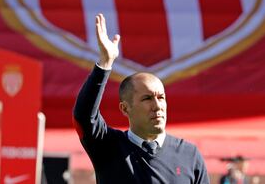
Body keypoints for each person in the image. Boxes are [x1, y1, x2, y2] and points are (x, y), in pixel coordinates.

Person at [73, 13, 210, 184]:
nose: (157, 106)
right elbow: (84, 115)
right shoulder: (108, 147)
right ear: (124, 108)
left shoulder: (189, 155)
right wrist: (105, 63)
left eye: (161, 97)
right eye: (147, 99)